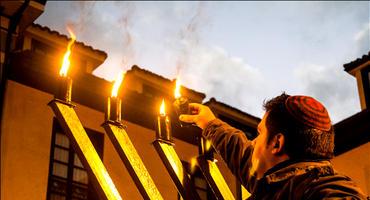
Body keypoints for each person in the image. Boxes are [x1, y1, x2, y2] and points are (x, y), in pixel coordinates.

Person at [179, 93, 367, 199]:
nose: (253, 142)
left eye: (260, 133)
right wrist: (210, 123)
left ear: (277, 143)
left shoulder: (322, 191)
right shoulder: (277, 185)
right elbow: (243, 155)